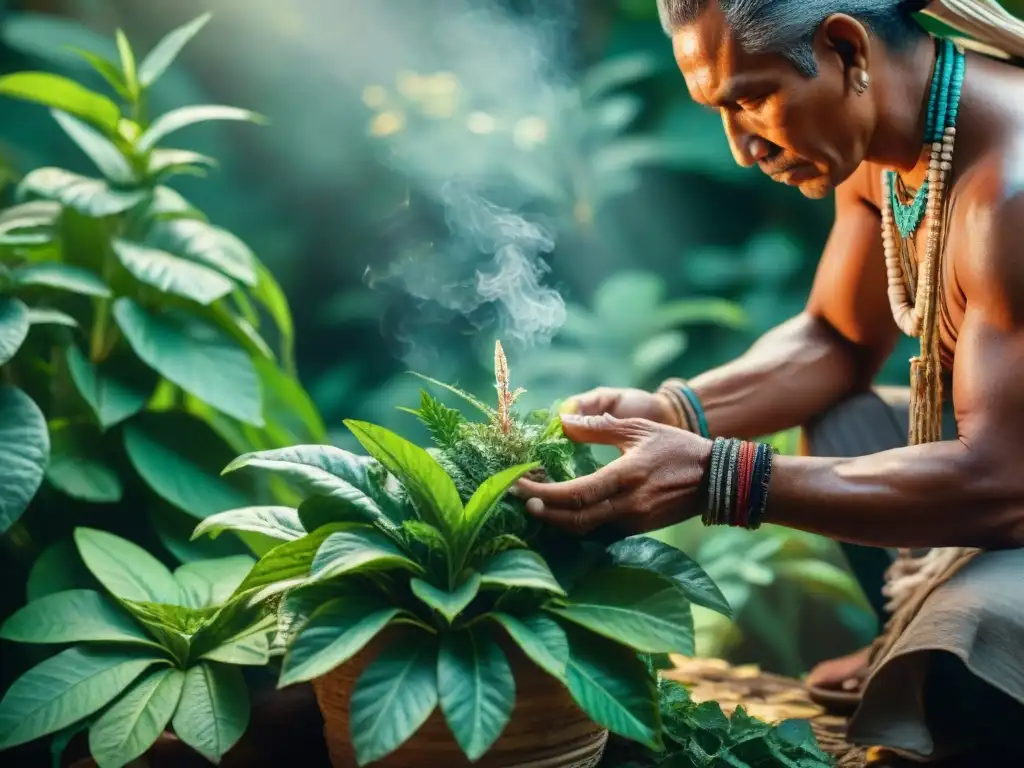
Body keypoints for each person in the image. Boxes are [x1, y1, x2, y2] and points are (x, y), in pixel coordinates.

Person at [516, 0, 1024, 761]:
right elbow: (837, 338)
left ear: (847, 50)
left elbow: (1003, 483)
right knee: (844, 421)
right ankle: (920, 632)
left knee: (967, 650)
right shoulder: (889, 149)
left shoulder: (1007, 194)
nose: (742, 147)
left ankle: (936, 643)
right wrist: (676, 411)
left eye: (750, 99)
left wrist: (721, 476)